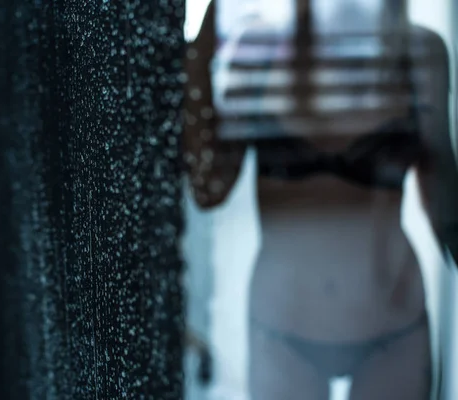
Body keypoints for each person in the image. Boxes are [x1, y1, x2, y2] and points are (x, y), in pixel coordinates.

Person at [183, 0, 458, 398]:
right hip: (284, 330)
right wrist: (207, 33)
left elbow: (444, 199)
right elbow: (208, 186)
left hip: (392, 329)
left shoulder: (419, 51)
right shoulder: (257, 50)